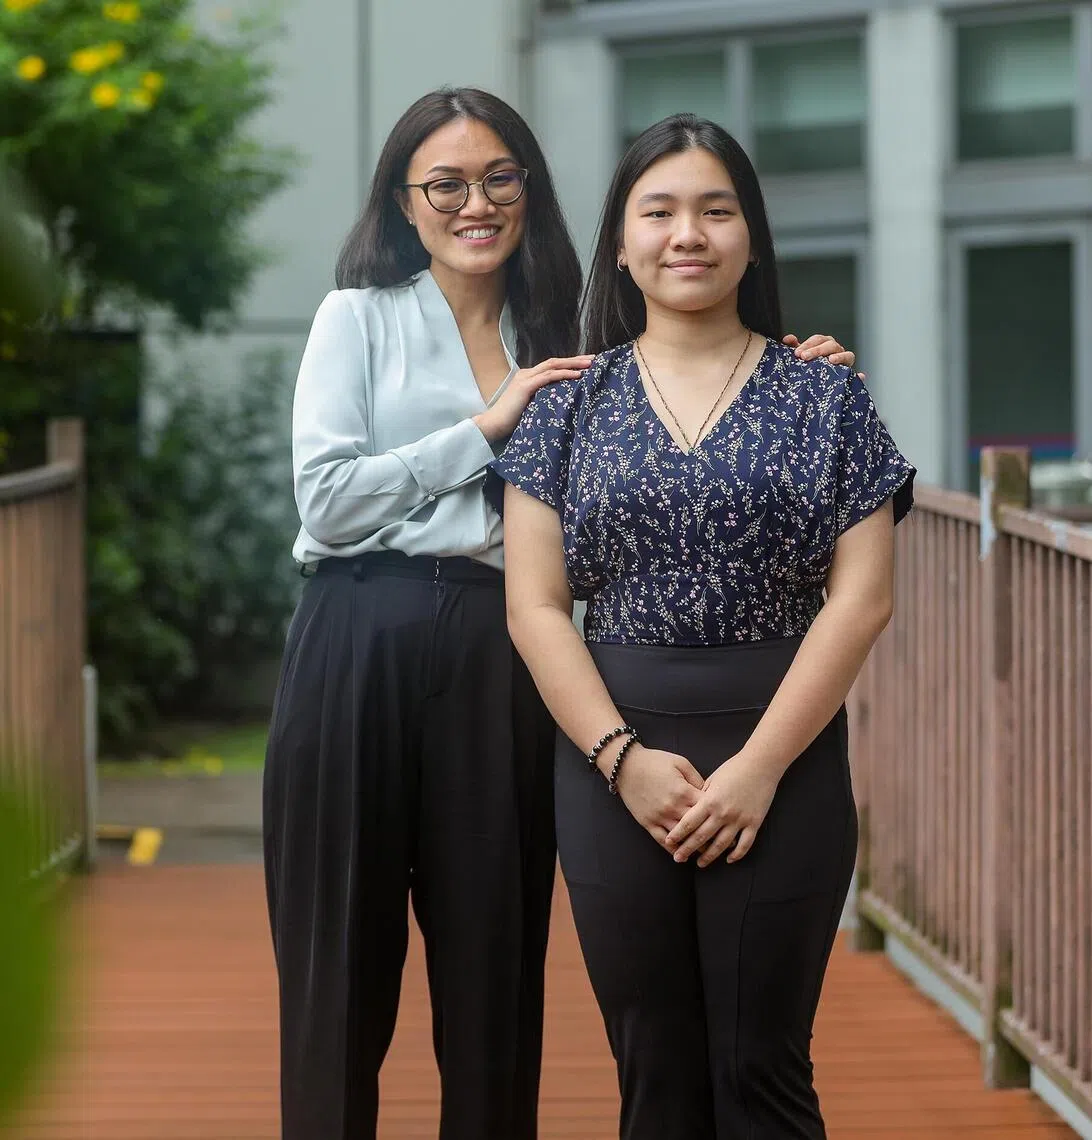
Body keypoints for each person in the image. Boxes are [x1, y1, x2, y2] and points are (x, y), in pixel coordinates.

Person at [263, 85, 858, 1140]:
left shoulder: (568, 333)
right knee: (338, 965)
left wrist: (797, 372)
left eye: (500, 178)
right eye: (445, 183)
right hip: (361, 629)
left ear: (532, 192)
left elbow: (679, 386)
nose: (476, 203)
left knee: (495, 966)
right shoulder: (357, 317)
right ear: (404, 202)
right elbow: (327, 501)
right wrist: (484, 430)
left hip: (504, 648)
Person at [490, 112, 916, 1140]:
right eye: (661, 211)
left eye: (715, 210)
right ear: (624, 244)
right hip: (611, 760)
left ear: (751, 238)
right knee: (655, 1071)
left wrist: (761, 768)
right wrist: (619, 757)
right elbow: (536, 605)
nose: (689, 233)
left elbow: (863, 599)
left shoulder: (826, 393)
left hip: (786, 752)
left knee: (761, 1066)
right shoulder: (567, 405)